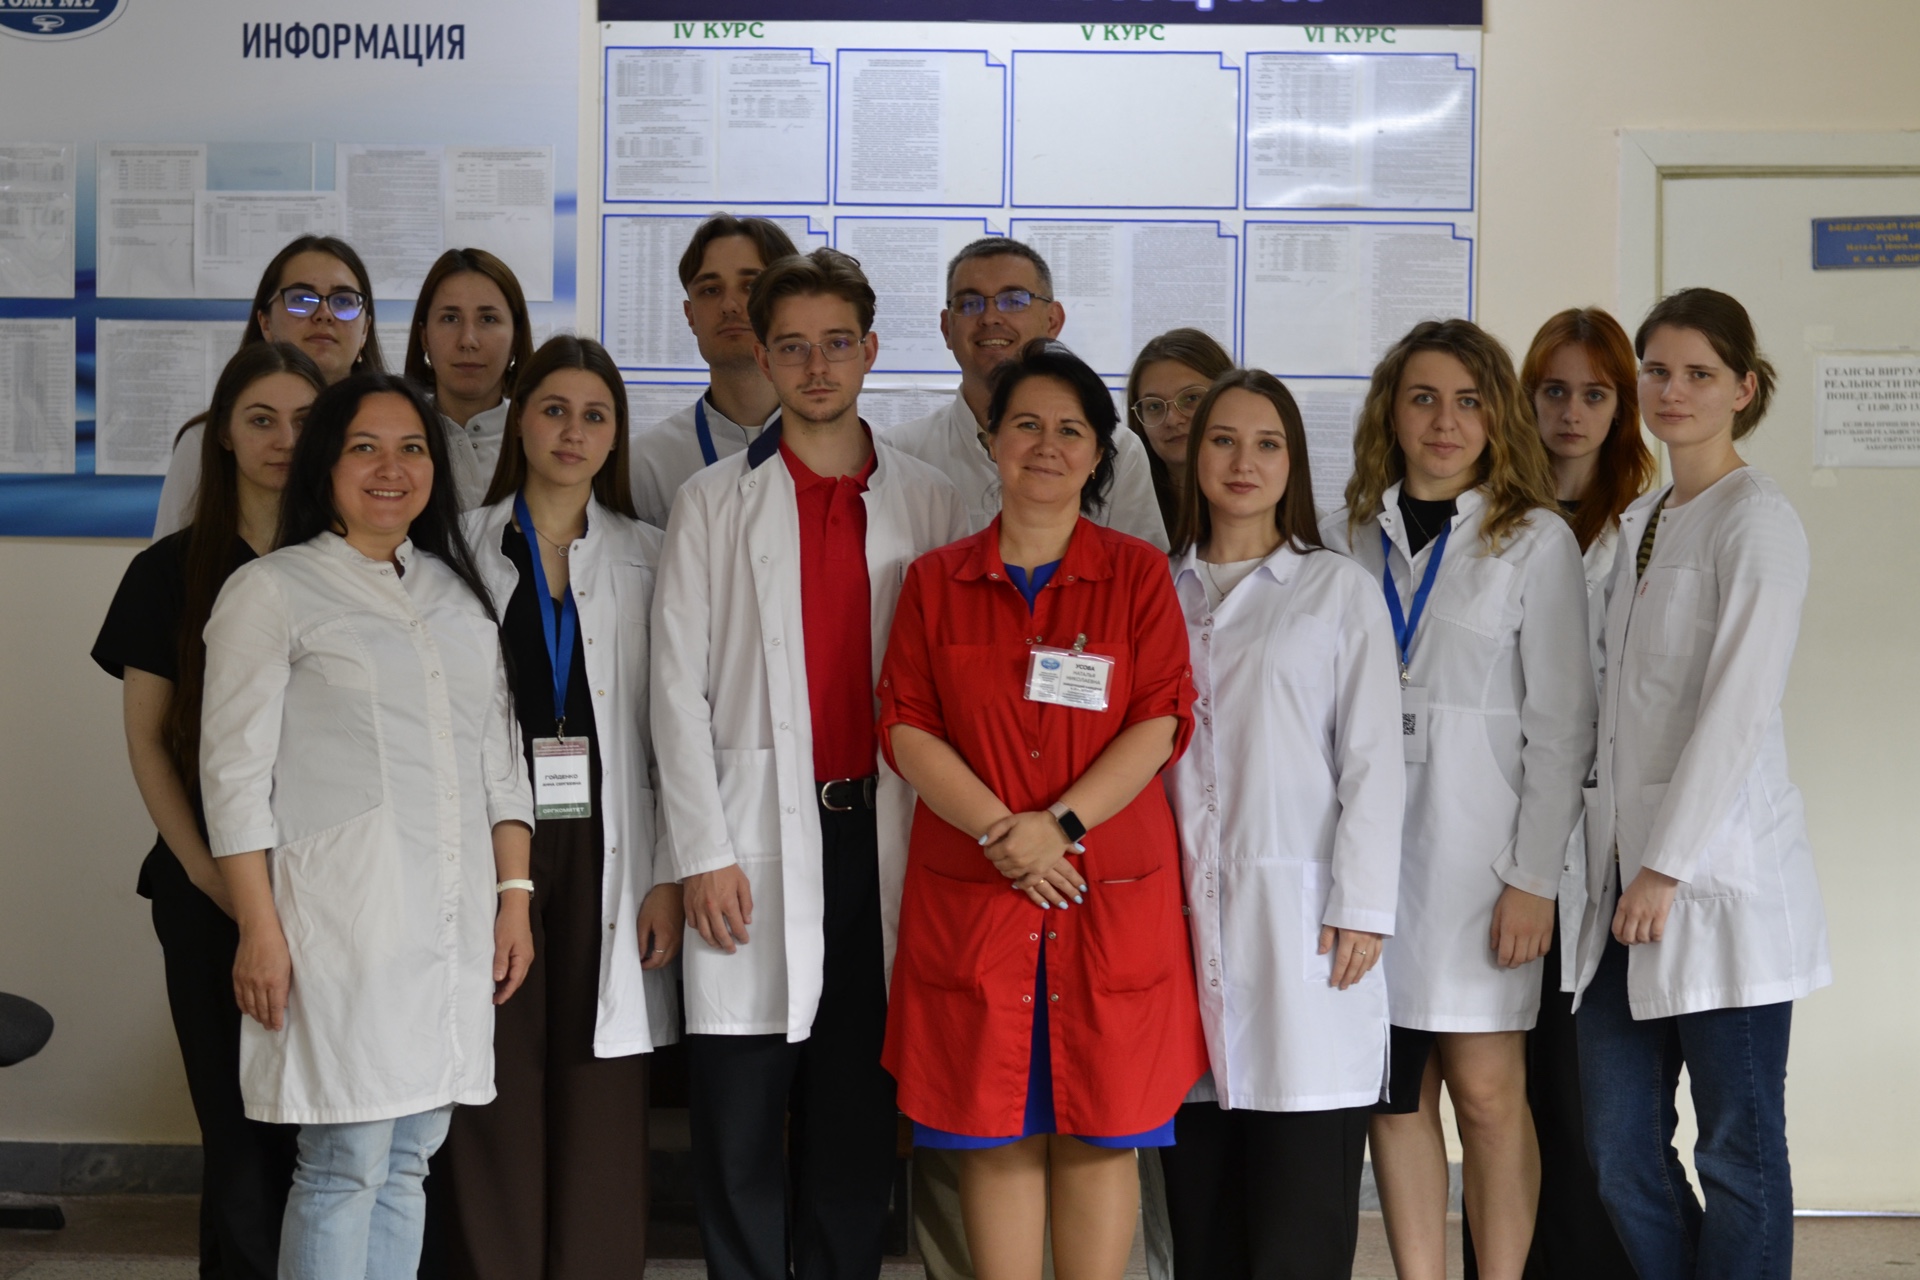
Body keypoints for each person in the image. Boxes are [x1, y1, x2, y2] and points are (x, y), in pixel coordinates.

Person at [650, 248, 969, 1280]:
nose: (816, 366)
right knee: (740, 1108)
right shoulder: (711, 502)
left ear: (871, 350)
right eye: (792, 346)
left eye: (836, 343)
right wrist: (702, 852)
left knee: (854, 1106)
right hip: (750, 836)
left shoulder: (933, 500)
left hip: (883, 833)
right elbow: (675, 693)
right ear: (762, 354)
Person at [878, 338, 1207, 1280]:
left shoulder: (1138, 575)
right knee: (993, 1135)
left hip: (1104, 892)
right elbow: (905, 724)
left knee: (1102, 1133)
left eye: (1071, 430)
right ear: (991, 439)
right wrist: (1002, 831)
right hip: (979, 893)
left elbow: (1161, 717)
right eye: (1026, 424)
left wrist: (1056, 828)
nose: (1047, 445)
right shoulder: (935, 581)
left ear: (1100, 453)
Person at [201, 372, 535, 1280]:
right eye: (365, 448)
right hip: (338, 923)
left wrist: (513, 900)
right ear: (326, 465)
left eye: (412, 448)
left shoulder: (458, 597)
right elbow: (232, 779)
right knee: (343, 1160)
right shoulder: (272, 591)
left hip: (450, 922)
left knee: (411, 1156)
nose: (392, 468)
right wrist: (258, 929)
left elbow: (501, 766)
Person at [1322, 319, 1593, 1280]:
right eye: (1424, 398)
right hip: (1368, 867)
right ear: (1391, 414)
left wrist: (1533, 880)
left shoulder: (1535, 541)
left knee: (1485, 1095)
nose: (1446, 421)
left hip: (1483, 868)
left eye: (1469, 401)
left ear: (1497, 417)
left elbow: (1562, 729)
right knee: (1395, 1101)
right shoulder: (1347, 539)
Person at [1570, 288, 1831, 1280]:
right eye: (1657, 371)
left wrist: (1667, 866)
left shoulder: (1756, 520)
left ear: (1744, 389)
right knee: (1619, 1149)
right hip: (1621, 889)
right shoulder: (1645, 517)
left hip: (1714, 890)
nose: (1672, 390)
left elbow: (1736, 710)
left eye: (1699, 373)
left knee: (1738, 1152)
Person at [435, 335, 683, 1279]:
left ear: (615, 435)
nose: (572, 432)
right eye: (553, 409)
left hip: (613, 842)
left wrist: (668, 873)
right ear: (520, 420)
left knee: (601, 1076)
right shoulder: (455, 548)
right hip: (493, 843)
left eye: (594, 415)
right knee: (494, 1067)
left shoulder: (651, 555)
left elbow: (674, 730)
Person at [1158, 369, 1404, 1280]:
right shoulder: (1156, 587)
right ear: (1194, 455)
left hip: (1305, 931)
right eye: (1223, 439)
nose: (1244, 462)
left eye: (1268, 444)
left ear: (1294, 462)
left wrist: (1362, 906)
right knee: (1205, 1222)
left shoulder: (1335, 588)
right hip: (1177, 929)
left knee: (1298, 1222)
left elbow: (1372, 760)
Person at [91, 342, 325, 1279]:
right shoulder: (169, 571)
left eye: (304, 421)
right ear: (223, 435)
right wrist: (207, 872)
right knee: (234, 1138)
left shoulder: (351, 563)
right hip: (204, 890)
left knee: (319, 1129)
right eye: (260, 419)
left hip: (325, 882)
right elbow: (149, 742)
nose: (282, 440)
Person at [1457, 308, 1655, 1280]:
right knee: (1503, 1101)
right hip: (1495, 851)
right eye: (1553, 390)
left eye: (1595, 393)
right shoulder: (1485, 525)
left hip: (1598, 863)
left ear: (1621, 408)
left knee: (1590, 1120)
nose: (1572, 412)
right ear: (1523, 398)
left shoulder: (1643, 531)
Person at [883, 237, 1168, 549]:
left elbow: (1142, 570)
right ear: (947, 328)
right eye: (969, 304)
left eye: (1014, 300)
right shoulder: (900, 453)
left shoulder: (1118, 450)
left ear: (1052, 321)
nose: (990, 317)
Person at [154, 235, 387, 536]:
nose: (324, 314)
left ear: (365, 329)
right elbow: (170, 557)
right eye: (302, 299)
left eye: (343, 301)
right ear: (265, 323)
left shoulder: (394, 440)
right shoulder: (206, 442)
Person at [627, 214, 799, 527]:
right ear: (690, 315)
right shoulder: (644, 466)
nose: (730, 305)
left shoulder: (859, 451)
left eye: (750, 285)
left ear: (788, 305)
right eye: (710, 289)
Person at [405, 247, 536, 511]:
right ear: (424, 337)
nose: (467, 340)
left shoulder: (540, 440)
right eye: (450, 318)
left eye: (488, 318)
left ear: (515, 339)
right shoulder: (396, 437)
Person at [1123, 329, 1235, 534]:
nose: (1172, 420)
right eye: (1154, 406)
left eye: (1191, 398)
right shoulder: (1122, 513)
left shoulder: (1265, 507)